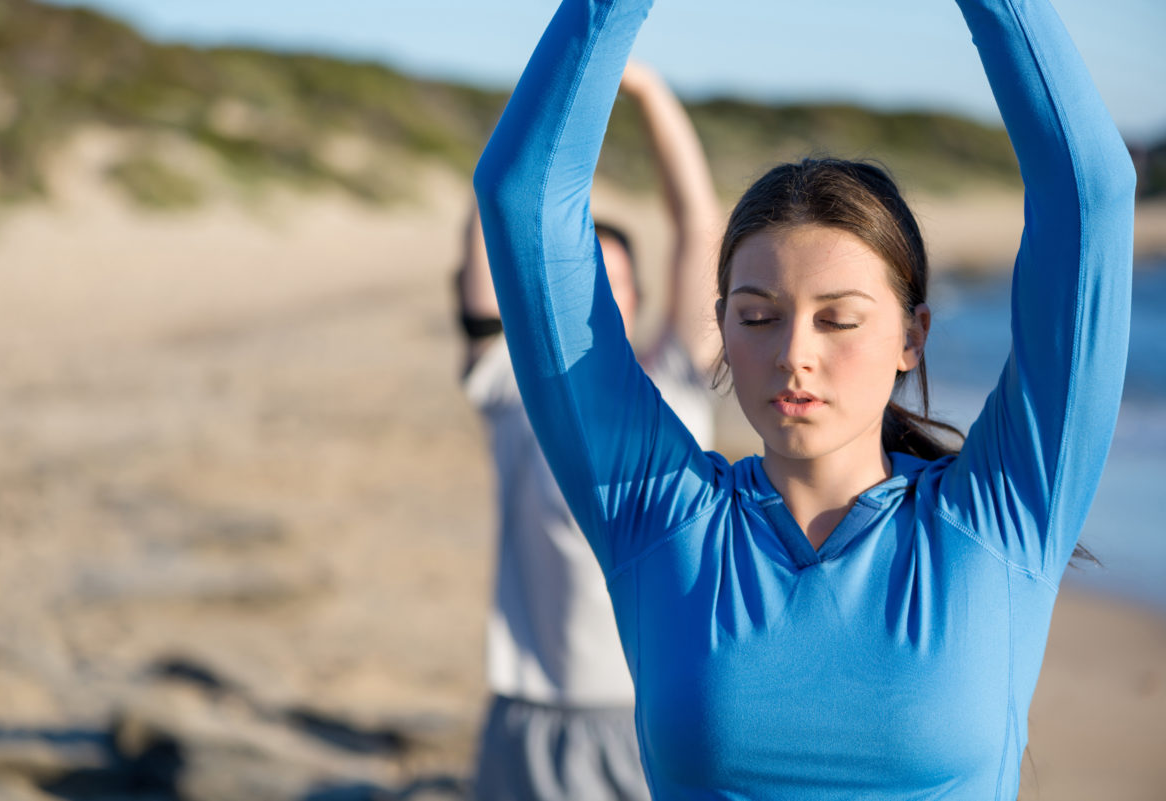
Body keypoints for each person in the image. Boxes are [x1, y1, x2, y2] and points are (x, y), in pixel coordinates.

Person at [473, 0, 1135, 797]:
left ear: (911, 336)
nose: (795, 355)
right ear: (720, 325)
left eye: (839, 320)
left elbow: (1089, 195)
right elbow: (525, 202)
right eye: (758, 316)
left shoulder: (1004, 516)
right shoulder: (654, 516)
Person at [457, 60, 723, 800]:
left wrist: (643, 89)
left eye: (610, 279)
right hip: (529, 712)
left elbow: (699, 222)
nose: (594, 298)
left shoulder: (676, 383)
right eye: (576, 279)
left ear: (639, 293)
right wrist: (557, 87)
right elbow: (493, 209)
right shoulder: (513, 388)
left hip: (659, 713)